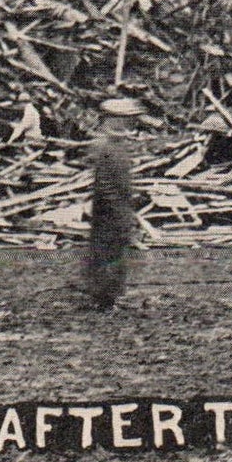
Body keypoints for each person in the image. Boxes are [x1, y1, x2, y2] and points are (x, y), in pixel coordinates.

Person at [85, 98, 138, 311]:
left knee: (113, 252)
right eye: (124, 120)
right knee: (109, 253)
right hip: (110, 210)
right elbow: (106, 185)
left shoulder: (116, 146)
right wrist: (120, 213)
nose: (128, 125)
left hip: (115, 208)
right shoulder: (106, 147)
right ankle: (105, 300)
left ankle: (109, 296)